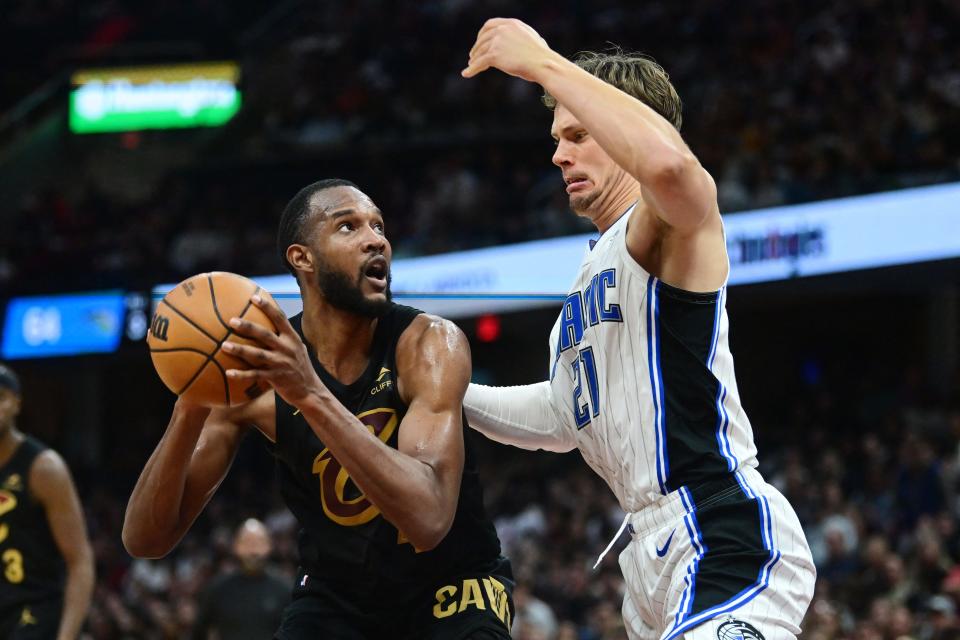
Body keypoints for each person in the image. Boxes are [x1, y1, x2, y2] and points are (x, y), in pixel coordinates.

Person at [460, 19, 816, 640]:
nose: (558, 153)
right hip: (649, 558)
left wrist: (544, 63)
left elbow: (673, 169)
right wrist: (440, 389)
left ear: (624, 128)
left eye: (577, 133)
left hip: (720, 530)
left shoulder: (662, 225)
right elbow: (563, 416)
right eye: (556, 137)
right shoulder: (592, 271)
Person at [123, 179, 514, 639]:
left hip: (453, 585)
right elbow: (146, 539)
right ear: (302, 258)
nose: (376, 239)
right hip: (338, 597)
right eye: (348, 226)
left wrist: (310, 394)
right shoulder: (256, 375)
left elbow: (428, 518)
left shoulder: (428, 344)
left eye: (378, 226)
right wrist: (192, 399)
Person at [0, 363, 94, 639]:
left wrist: (67, 636)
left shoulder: (43, 467)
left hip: (33, 616)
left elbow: (80, 561)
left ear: (16, 404)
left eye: (1, 397)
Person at [191, 518, 290, 640]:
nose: (253, 550)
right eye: (247, 542)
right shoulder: (218, 588)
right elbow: (198, 631)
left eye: (258, 542)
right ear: (236, 546)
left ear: (269, 545)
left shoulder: (285, 588)